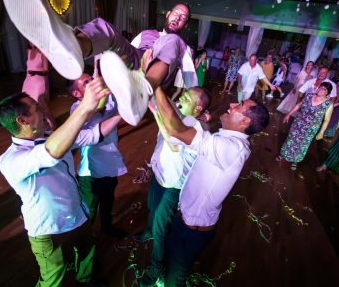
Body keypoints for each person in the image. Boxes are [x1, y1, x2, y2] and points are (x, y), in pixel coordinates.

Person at [1, 0, 193, 127]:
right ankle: (74, 46)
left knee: (172, 40)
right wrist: (100, 72)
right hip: (135, 62)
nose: (178, 18)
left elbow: (191, 84)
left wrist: (175, 109)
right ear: (168, 14)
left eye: (183, 17)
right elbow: (121, 49)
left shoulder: (182, 46)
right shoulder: (146, 34)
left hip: (150, 79)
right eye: (176, 13)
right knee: (104, 26)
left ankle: (142, 90)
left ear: (184, 24)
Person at [149, 87, 270, 287]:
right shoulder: (225, 141)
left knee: (174, 279)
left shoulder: (231, 148)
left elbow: (175, 130)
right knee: (173, 265)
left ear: (245, 121)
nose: (231, 104)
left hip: (191, 230)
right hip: (186, 220)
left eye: (239, 105)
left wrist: (155, 86)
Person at [0, 77, 109, 287]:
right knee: (54, 280)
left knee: (86, 256)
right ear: (23, 120)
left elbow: (92, 135)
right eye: (36, 108)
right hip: (49, 229)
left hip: (77, 214)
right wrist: (84, 106)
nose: (43, 110)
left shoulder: (51, 136)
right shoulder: (10, 160)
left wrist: (127, 112)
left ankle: (85, 280)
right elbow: (50, 153)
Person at [139, 87, 211, 287]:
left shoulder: (196, 128)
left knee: (161, 228)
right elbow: (167, 103)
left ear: (198, 108)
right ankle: (148, 233)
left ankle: (156, 269)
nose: (181, 99)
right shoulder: (180, 116)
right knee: (152, 210)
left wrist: (156, 114)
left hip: (173, 187)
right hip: (159, 176)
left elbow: (173, 143)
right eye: (183, 94)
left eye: (186, 98)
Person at [68, 74, 126, 238]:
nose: (93, 82)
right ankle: (84, 244)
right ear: (77, 94)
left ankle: (107, 228)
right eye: (87, 82)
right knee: (89, 211)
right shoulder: (77, 110)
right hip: (91, 172)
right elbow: (96, 129)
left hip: (111, 164)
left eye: (92, 78)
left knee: (108, 200)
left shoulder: (108, 99)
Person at [277, 82, 334, 171]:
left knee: (302, 144)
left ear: (328, 93)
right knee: (291, 139)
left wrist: (321, 132)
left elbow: (326, 120)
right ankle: (283, 154)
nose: (322, 90)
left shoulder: (328, 104)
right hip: (298, 122)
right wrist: (288, 114)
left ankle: (295, 160)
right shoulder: (309, 96)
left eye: (325, 89)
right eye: (321, 87)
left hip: (310, 129)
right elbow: (298, 105)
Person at [22, 42, 56, 130]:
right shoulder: (29, 51)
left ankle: (53, 126)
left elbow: (46, 70)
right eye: (29, 40)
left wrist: (36, 72)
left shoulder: (43, 53)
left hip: (39, 82)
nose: (31, 41)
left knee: (42, 105)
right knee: (29, 104)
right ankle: (38, 125)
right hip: (28, 82)